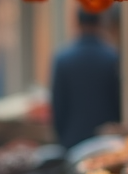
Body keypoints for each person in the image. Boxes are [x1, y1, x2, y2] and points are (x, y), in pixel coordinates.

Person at [51, 9, 121, 150]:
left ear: (77, 23)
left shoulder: (63, 59)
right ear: (101, 23)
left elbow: (58, 105)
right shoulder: (112, 57)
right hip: (106, 143)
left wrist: (62, 138)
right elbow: (118, 101)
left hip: (72, 141)